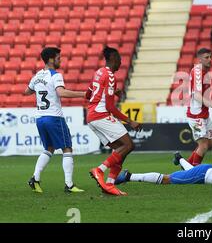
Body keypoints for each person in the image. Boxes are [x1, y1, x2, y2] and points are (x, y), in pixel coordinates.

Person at [25, 47, 86, 193]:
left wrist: (38, 88)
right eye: (58, 58)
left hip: (40, 118)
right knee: (67, 148)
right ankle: (69, 185)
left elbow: (26, 92)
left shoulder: (37, 76)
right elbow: (61, 92)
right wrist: (83, 94)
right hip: (54, 117)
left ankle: (35, 178)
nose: (60, 60)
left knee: (49, 148)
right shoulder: (55, 75)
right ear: (51, 59)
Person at [86, 46, 141, 196]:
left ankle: (110, 185)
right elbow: (110, 107)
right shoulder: (110, 76)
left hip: (91, 117)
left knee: (121, 150)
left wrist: (111, 92)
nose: (121, 63)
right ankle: (100, 170)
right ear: (113, 59)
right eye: (119, 60)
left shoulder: (98, 72)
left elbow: (88, 95)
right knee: (129, 145)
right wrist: (130, 121)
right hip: (101, 115)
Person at [114, 152, 212, 186]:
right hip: (201, 175)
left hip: (207, 169)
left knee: (188, 172)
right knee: (167, 179)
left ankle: (179, 158)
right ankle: (129, 176)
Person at [185, 48, 212, 166]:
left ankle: (186, 164)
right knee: (203, 144)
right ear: (199, 59)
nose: (210, 60)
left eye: (210, 57)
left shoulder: (205, 71)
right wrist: (211, 104)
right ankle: (194, 170)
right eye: (206, 57)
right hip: (196, 114)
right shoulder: (197, 71)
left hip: (204, 113)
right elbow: (197, 95)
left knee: (211, 142)